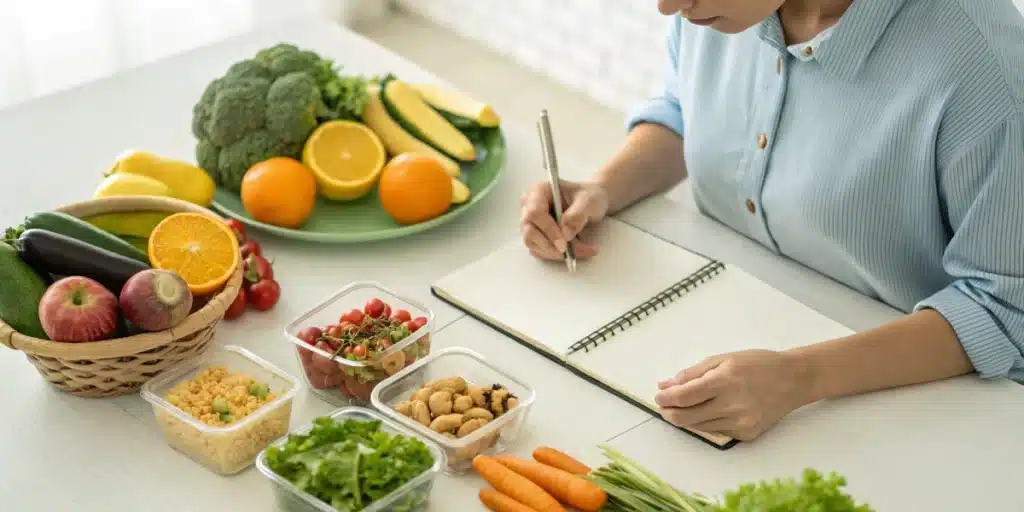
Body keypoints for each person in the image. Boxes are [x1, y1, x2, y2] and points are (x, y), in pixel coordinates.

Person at [520, 0, 1024, 441]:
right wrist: (604, 187)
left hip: (904, 409)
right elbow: (683, 109)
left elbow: (1005, 308)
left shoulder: (985, 67)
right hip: (719, 333)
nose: (668, 7)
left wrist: (800, 377)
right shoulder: (721, 11)